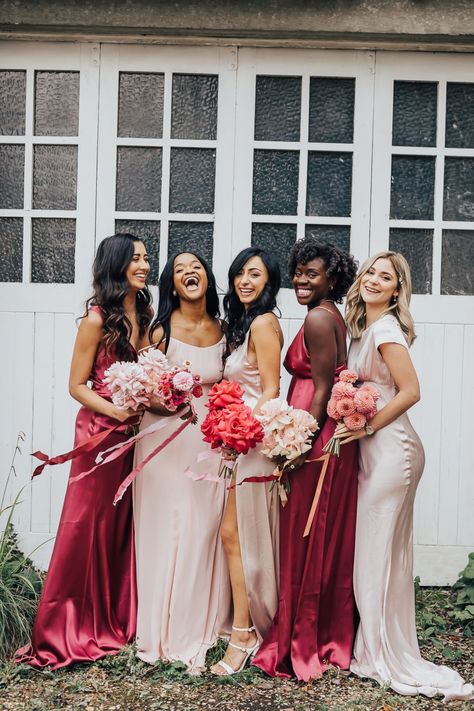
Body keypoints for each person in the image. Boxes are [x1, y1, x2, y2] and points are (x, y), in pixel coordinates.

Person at [332, 250, 474, 701]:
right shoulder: (363, 328)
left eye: (386, 277)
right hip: (375, 451)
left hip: (394, 451)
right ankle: (375, 643)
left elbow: (411, 391)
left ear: (397, 290)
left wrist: (367, 426)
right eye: (370, 272)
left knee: (377, 553)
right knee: (377, 552)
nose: (374, 280)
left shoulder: (388, 328)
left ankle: (379, 653)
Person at [16, 233, 151, 669]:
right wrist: (117, 409)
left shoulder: (145, 311)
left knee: (122, 522)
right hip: (99, 433)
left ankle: (114, 616)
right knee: (86, 523)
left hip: (137, 433)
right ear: (116, 265)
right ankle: (67, 624)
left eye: (147, 258)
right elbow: (76, 386)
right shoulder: (96, 319)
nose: (145, 265)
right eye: (136, 259)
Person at [253, 237, 358, 682]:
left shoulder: (318, 317)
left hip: (316, 440)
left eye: (311, 273)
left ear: (332, 278)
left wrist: (298, 445)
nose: (300, 279)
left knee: (306, 535)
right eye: (297, 271)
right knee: (317, 537)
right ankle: (322, 633)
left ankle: (300, 639)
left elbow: (318, 391)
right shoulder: (330, 314)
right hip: (323, 435)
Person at [133, 251, 231, 673]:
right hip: (161, 439)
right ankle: (157, 629)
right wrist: (168, 400)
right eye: (179, 270)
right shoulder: (159, 330)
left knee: (202, 526)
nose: (189, 273)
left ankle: (195, 621)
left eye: (197, 268)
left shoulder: (226, 330)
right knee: (164, 528)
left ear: (207, 278)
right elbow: (141, 388)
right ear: (172, 285)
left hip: (208, 440)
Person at [211, 247, 283, 676]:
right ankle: (243, 624)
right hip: (237, 443)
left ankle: (245, 633)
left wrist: (239, 432)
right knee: (235, 535)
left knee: (237, 535)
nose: (244, 281)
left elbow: (272, 389)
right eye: (239, 274)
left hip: (254, 444)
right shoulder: (242, 325)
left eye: (254, 275)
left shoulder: (264, 322)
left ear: (269, 280)